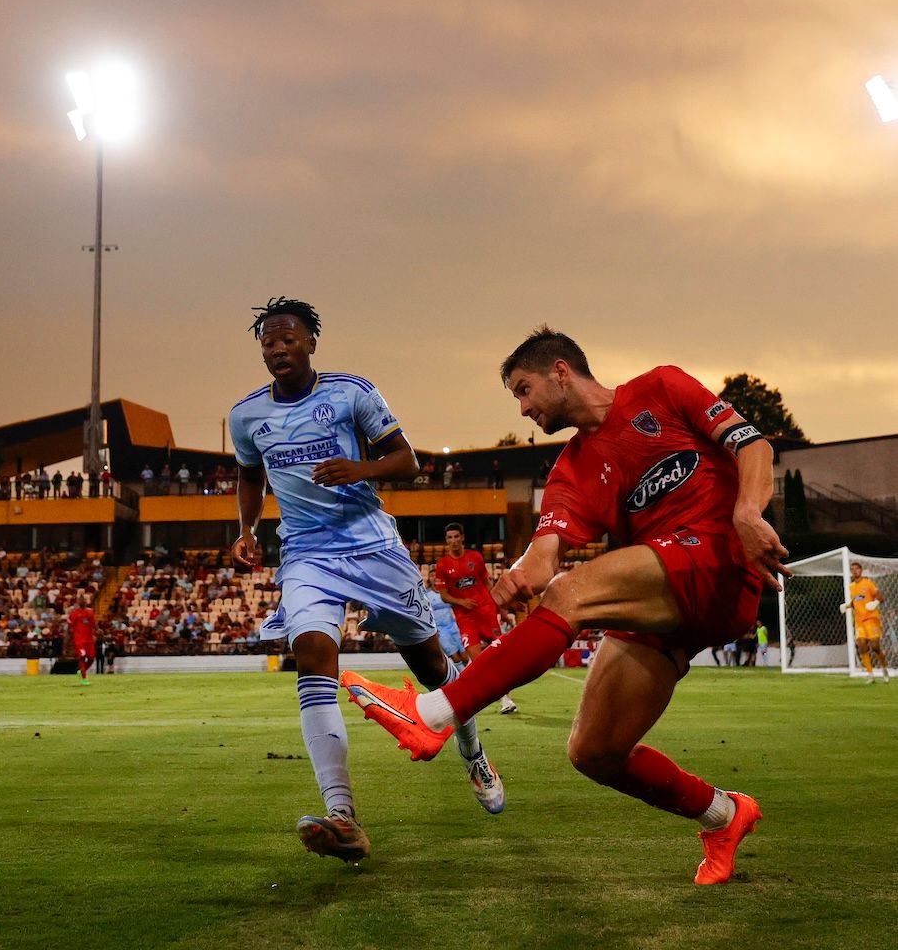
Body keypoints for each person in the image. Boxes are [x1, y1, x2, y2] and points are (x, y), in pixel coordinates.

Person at [341, 326, 789, 885]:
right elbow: (544, 555)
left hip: (723, 558)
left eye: (524, 390)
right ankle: (723, 814)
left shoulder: (661, 387)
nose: (524, 408)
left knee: (572, 595)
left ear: (560, 372)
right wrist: (517, 577)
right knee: (594, 752)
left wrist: (748, 512)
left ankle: (433, 714)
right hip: (672, 596)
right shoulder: (572, 469)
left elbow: (754, 444)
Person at [230, 297, 504, 865]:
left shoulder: (351, 393)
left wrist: (362, 469)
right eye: (268, 341)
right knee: (311, 655)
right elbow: (250, 474)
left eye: (288, 339)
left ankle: (473, 751)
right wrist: (248, 530)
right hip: (305, 552)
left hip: (373, 545)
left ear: (311, 344)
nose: (277, 348)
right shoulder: (246, 415)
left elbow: (407, 462)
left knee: (432, 669)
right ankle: (342, 816)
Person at [434, 523, 518, 714]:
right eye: (450, 537)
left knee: (499, 656)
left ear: (462, 538)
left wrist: (501, 610)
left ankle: (503, 697)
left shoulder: (475, 558)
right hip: (465, 618)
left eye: (456, 536)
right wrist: (461, 602)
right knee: (478, 661)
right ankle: (499, 698)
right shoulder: (442, 565)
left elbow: (488, 584)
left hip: (486, 612)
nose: (453, 540)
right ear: (446, 541)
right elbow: (444, 595)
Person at [842, 561, 889, 682]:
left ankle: (884, 668)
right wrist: (847, 606)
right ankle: (870, 674)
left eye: (856, 569)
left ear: (861, 570)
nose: (854, 571)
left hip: (872, 619)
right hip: (859, 621)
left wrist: (876, 602)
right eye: (852, 569)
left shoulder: (868, 583)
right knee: (861, 645)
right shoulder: (851, 586)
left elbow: (880, 596)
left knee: (875, 646)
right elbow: (856, 601)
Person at [67, 594, 97, 684]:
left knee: (91, 658)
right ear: (78, 602)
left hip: (89, 639)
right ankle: (84, 678)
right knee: (82, 657)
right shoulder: (75, 613)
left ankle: (81, 671)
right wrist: (68, 638)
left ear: (86, 602)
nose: (82, 601)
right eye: (80, 600)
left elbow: (93, 624)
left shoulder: (90, 612)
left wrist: (97, 631)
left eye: (83, 600)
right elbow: (70, 626)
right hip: (79, 640)